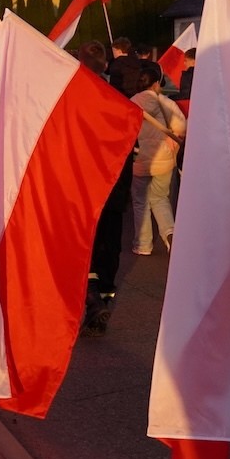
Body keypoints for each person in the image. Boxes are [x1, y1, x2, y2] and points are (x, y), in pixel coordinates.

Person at [77, 41, 132, 335]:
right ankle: (104, 295)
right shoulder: (119, 100)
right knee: (110, 243)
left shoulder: (76, 99)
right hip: (115, 185)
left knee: (84, 244)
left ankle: (93, 297)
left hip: (87, 187)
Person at [130, 66, 186, 256]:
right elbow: (181, 126)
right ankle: (170, 233)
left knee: (140, 202)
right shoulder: (165, 103)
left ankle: (143, 244)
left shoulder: (131, 104)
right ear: (155, 84)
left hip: (140, 159)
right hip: (164, 158)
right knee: (160, 198)